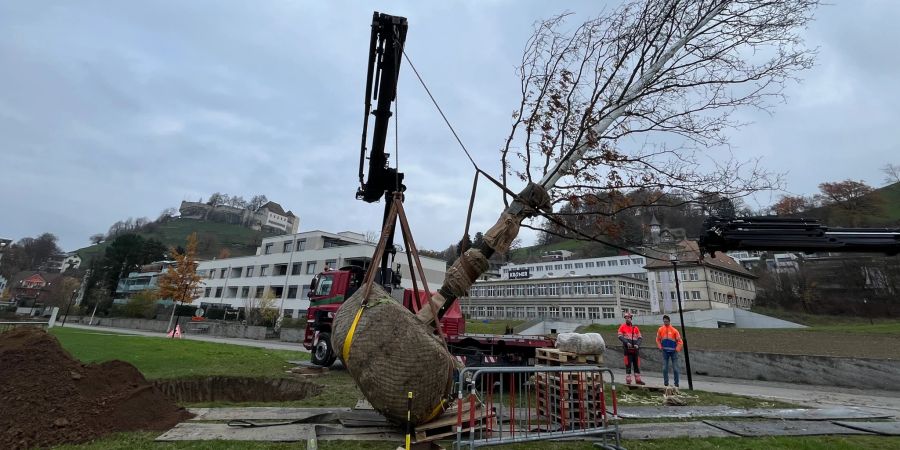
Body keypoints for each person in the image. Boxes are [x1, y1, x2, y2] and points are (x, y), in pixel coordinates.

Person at [656, 315, 683, 387]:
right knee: (664, 368)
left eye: (666, 321)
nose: (665, 322)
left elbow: (680, 341)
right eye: (664, 321)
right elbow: (658, 339)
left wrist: (677, 349)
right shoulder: (660, 329)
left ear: (669, 321)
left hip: (674, 352)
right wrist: (660, 347)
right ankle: (666, 384)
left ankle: (676, 384)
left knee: (675, 369)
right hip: (665, 351)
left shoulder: (674, 330)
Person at [617, 312, 644, 385]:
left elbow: (640, 338)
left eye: (628, 318)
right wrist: (626, 342)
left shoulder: (635, 328)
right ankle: (628, 380)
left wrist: (637, 345)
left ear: (631, 318)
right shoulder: (622, 327)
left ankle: (638, 380)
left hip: (635, 349)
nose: (627, 319)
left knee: (636, 364)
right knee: (628, 364)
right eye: (626, 318)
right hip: (627, 349)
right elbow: (619, 336)